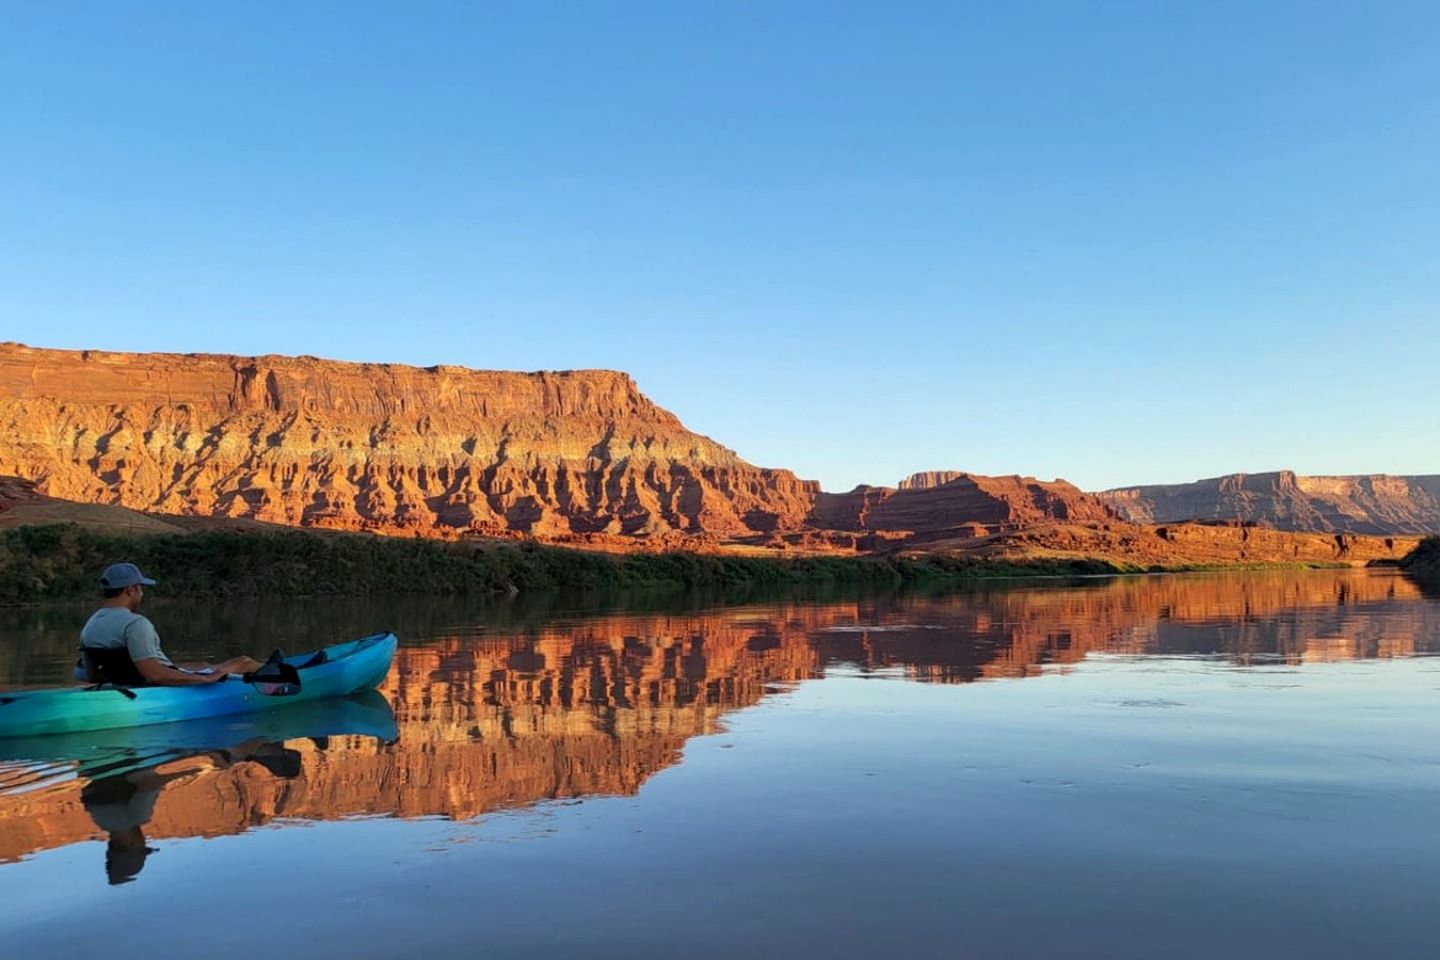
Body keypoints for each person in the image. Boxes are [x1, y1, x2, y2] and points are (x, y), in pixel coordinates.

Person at [78, 562, 265, 686]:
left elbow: (91, 676)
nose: (142, 594)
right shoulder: (136, 624)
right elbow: (155, 675)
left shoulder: (91, 623)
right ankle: (282, 675)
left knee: (201, 663)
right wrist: (206, 679)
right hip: (151, 685)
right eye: (141, 589)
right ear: (131, 590)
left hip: (128, 682)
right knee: (243, 662)